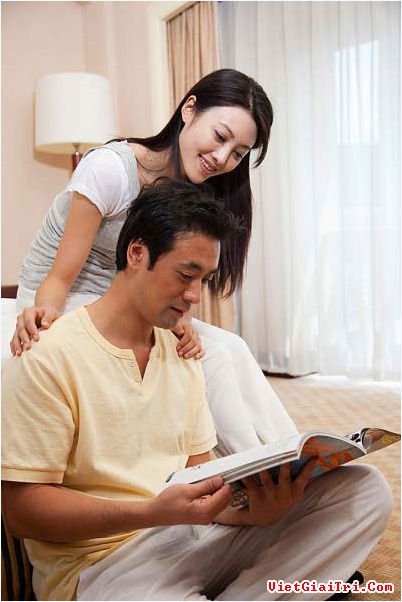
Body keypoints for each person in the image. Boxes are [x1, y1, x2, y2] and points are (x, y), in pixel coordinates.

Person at [2, 181, 392, 601]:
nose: (193, 296)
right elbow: (22, 512)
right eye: (186, 275)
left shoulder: (183, 352)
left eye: (203, 280)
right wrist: (150, 513)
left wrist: (253, 514)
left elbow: (202, 484)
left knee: (365, 491)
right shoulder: (49, 356)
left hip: (191, 539)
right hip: (105, 569)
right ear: (137, 254)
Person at [10, 68, 298, 455]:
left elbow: (170, 276)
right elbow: (59, 277)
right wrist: (43, 320)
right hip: (64, 291)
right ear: (189, 110)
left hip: (130, 297)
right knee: (210, 359)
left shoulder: (193, 188)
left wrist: (183, 322)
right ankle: (258, 468)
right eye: (220, 136)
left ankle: (295, 453)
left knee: (232, 347)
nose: (222, 158)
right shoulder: (110, 169)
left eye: (238, 153)